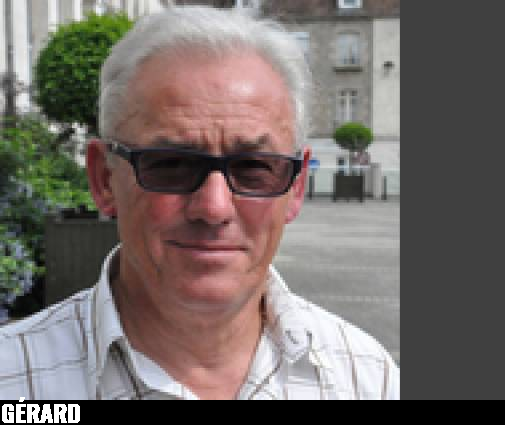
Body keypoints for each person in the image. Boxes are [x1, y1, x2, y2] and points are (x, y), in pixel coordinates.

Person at [0, 6, 399, 400]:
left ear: (295, 187)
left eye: (254, 167)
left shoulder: (367, 380)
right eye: (171, 165)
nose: (214, 208)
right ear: (104, 178)